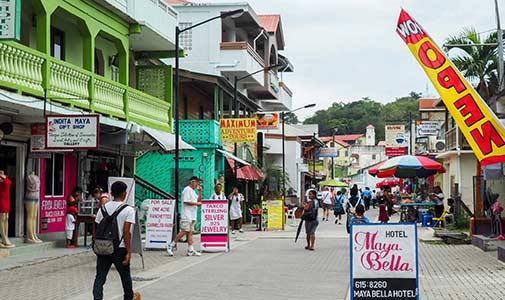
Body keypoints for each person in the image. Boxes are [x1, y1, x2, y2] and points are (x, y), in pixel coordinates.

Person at [93, 181, 136, 300]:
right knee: (125, 277)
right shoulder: (128, 210)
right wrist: (129, 252)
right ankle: (128, 298)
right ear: (125, 193)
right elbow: (127, 232)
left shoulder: (102, 209)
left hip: (103, 247)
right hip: (120, 248)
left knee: (100, 277)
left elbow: (97, 228)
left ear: (111, 193)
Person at [167, 176, 202, 256]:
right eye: (197, 182)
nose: (197, 184)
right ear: (192, 182)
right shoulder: (187, 190)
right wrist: (197, 204)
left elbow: (199, 201)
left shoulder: (193, 191)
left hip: (192, 215)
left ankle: (190, 249)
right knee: (185, 230)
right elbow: (186, 202)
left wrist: (200, 192)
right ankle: (171, 245)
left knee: (190, 232)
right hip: (186, 215)